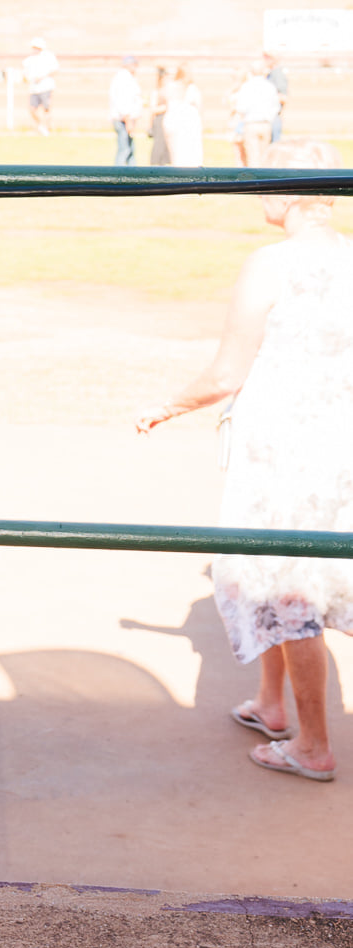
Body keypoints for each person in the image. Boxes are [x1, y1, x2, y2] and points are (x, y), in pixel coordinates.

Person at [137, 141, 353, 781]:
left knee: (291, 586)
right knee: (297, 574)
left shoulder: (272, 263)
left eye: (268, 178)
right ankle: (271, 704)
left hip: (285, 447)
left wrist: (166, 406)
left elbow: (227, 372)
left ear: (293, 191)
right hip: (339, 442)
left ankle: (312, 746)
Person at [230, 61, 281, 167]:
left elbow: (241, 108)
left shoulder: (247, 87)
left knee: (253, 157)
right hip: (265, 124)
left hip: (251, 124)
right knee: (264, 156)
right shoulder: (270, 87)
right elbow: (276, 107)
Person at [161, 64, 204, 167]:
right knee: (181, 153)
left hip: (177, 120)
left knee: (181, 153)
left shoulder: (173, 86)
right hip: (181, 122)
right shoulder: (185, 87)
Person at [108, 56, 143, 167]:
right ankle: (118, 173)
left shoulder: (126, 78)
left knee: (130, 148)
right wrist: (128, 120)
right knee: (124, 149)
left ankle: (133, 172)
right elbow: (123, 101)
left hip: (126, 118)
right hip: (124, 119)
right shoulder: (124, 79)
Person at [23, 38, 57, 135]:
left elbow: (55, 70)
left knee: (46, 108)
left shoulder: (49, 57)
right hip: (34, 89)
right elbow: (25, 74)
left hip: (46, 87)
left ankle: (47, 129)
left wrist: (42, 77)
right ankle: (41, 127)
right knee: (32, 109)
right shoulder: (29, 60)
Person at [264, 52, 289, 144]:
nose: (264, 61)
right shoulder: (270, 73)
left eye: (267, 58)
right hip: (268, 114)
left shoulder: (277, 74)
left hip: (273, 115)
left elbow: (283, 97)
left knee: (274, 145)